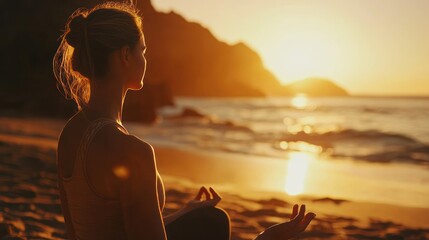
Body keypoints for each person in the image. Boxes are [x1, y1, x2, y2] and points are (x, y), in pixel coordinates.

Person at [53, 2, 316, 239]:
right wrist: (264, 238)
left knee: (206, 218)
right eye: (142, 50)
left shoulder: (71, 133)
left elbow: (107, 229)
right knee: (215, 224)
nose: (145, 58)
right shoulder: (132, 152)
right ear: (125, 56)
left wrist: (184, 212)